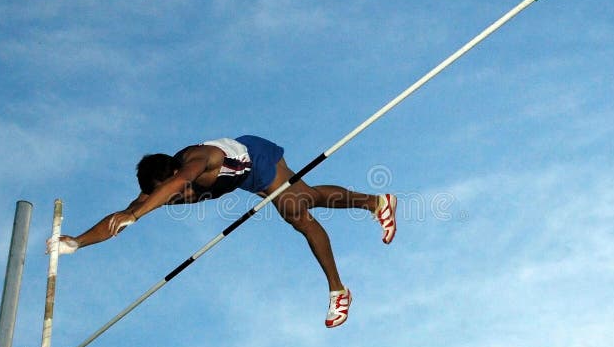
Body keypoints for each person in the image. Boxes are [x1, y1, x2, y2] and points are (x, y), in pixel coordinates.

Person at [51, 135, 397, 328]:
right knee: (302, 202)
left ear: (174, 172)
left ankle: (340, 286)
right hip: (245, 180)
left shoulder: (197, 162)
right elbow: (121, 217)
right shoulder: (159, 189)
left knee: (298, 209)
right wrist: (77, 242)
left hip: (255, 160)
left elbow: (181, 183)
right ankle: (376, 204)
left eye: (174, 192)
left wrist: (139, 214)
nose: (180, 199)